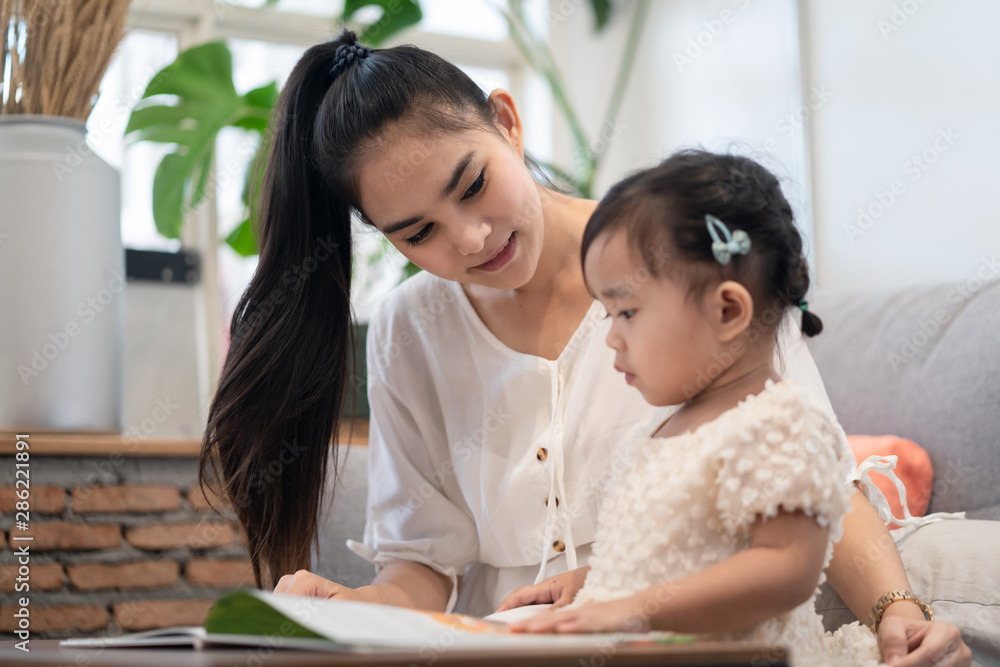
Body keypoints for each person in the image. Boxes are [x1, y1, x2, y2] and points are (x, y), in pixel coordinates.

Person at [198, 29, 970, 666]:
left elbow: (817, 474)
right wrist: (358, 608)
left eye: (471, 185)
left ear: (507, 121)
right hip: (502, 644)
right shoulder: (410, 329)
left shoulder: (682, 261)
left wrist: (897, 607)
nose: (470, 238)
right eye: (418, 233)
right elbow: (422, 567)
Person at [500, 150, 885, 665]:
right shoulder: (658, 431)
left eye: (626, 312)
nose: (610, 338)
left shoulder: (779, 423)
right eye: (606, 314)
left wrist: (635, 609)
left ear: (727, 310)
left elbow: (784, 566)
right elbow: (684, 558)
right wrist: (597, 583)